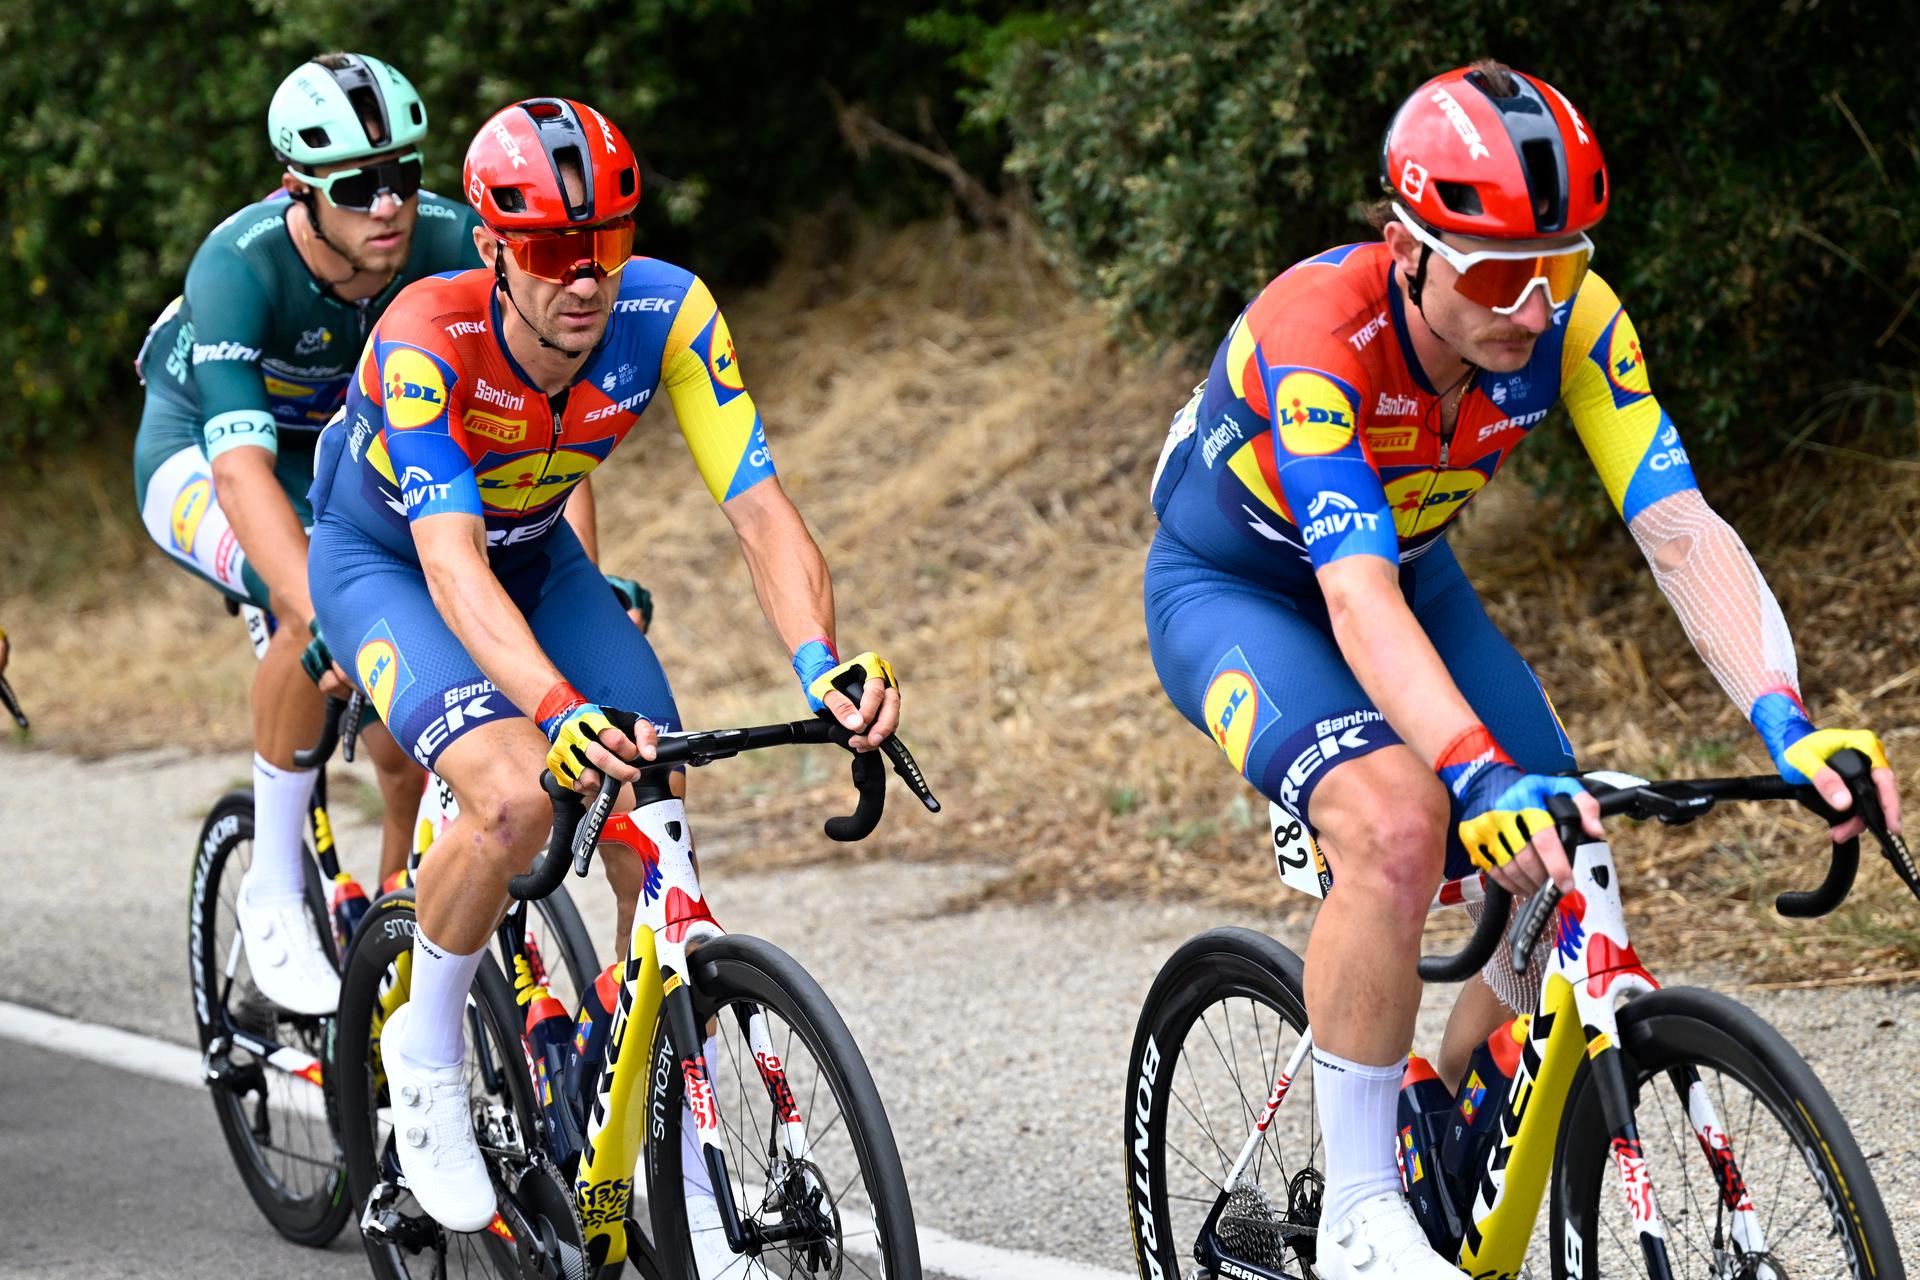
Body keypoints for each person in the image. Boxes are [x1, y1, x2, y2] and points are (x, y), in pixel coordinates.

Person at [1143, 60, 1902, 1278]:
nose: (1534, 306)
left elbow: (1679, 526)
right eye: (1499, 274)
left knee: (1567, 832)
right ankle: (1353, 1210)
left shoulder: (1576, 323)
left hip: (1412, 576)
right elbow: (1352, 592)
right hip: (1242, 590)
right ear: (1404, 247)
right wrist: (1468, 772)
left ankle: (1430, 1105)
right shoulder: (1320, 334)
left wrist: (1786, 722)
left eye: (1561, 266)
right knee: (1401, 819)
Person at [304, 97, 901, 1245]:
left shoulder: (670, 312)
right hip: (389, 562)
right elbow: (450, 562)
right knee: (521, 789)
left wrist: (822, 663)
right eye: (550, 252)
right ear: (490, 248)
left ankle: (643, 1078)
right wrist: (557, 708)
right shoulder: (429, 337)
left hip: (536, 557)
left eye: (609, 244)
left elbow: (759, 506)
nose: (586, 280)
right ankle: (423, 1053)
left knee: (658, 786)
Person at [130, 53, 488, 1016]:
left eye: (405, 176)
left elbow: (523, 427)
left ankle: (389, 929)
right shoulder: (240, 265)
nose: (389, 204)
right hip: (203, 452)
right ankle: (274, 887)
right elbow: (241, 469)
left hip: (338, 452)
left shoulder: (450, 242)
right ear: (301, 190)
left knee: (411, 709)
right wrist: (318, 601)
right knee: (305, 618)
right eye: (357, 186)